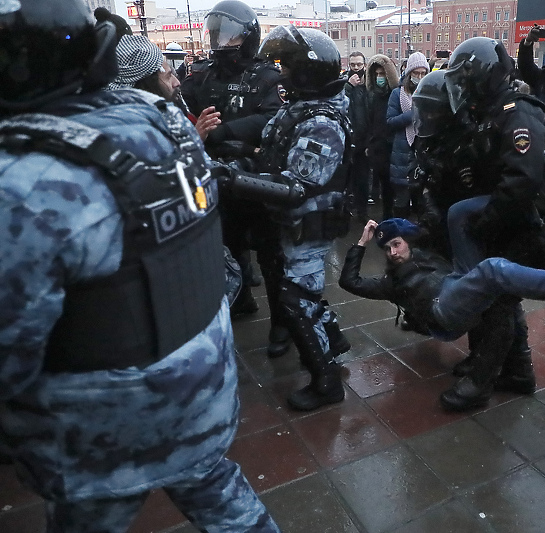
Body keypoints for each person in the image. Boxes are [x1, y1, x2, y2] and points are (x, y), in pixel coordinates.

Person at [0, 1, 280, 531]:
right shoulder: (165, 119)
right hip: (202, 396)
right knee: (229, 506)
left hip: (106, 438)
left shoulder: (22, 182)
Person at [440, 36, 545, 410]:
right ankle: (517, 371)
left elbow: (521, 181)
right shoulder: (495, 111)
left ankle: (482, 382)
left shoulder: (517, 114)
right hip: (521, 221)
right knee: (503, 296)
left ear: (483, 74)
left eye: (466, 77)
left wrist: (486, 221)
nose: (462, 86)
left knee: (498, 298)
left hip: (537, 224)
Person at [225, 25, 352, 411]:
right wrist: (234, 153)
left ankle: (326, 381)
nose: (280, 75)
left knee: (296, 300)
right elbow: (271, 154)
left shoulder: (322, 123)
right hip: (295, 225)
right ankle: (335, 341)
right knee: (303, 292)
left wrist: (233, 178)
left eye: (287, 67)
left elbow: (296, 186)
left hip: (311, 225)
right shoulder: (299, 112)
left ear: (308, 73)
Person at [339, 218, 545, 410]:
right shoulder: (391, 283)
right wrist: (361, 243)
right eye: (387, 249)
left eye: (396, 244)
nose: (393, 253)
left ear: (408, 242)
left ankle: (518, 374)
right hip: (441, 312)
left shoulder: (430, 254)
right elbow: (350, 282)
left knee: (502, 298)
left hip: (456, 296)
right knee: (492, 270)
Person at [182, 1, 293, 359]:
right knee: (228, 245)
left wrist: (222, 133)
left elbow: (273, 119)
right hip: (218, 177)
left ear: (247, 36)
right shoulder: (203, 74)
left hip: (257, 179)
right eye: (215, 32)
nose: (220, 41)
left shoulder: (267, 76)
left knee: (271, 254)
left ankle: (281, 322)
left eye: (227, 33)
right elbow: (183, 109)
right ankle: (241, 298)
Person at [386, 51, 429, 217]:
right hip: (402, 154)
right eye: (416, 73)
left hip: (421, 151)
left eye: (422, 73)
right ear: (409, 73)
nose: (419, 76)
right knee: (402, 201)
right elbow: (390, 121)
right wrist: (411, 114)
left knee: (421, 201)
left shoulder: (428, 91)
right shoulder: (397, 94)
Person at [365, 53, 399, 220]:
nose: (380, 77)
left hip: (393, 144)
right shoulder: (372, 96)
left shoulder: (395, 94)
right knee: (384, 183)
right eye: (377, 74)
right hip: (378, 146)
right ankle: (386, 216)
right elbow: (369, 121)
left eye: (383, 74)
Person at [344, 51, 370, 222]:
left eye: (359, 65)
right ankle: (346, 210)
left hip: (364, 140)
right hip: (348, 139)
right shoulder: (344, 84)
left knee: (363, 179)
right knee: (346, 179)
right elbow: (339, 103)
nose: (356, 68)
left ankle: (362, 211)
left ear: (364, 65)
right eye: (353, 65)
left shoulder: (369, 84)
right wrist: (349, 86)